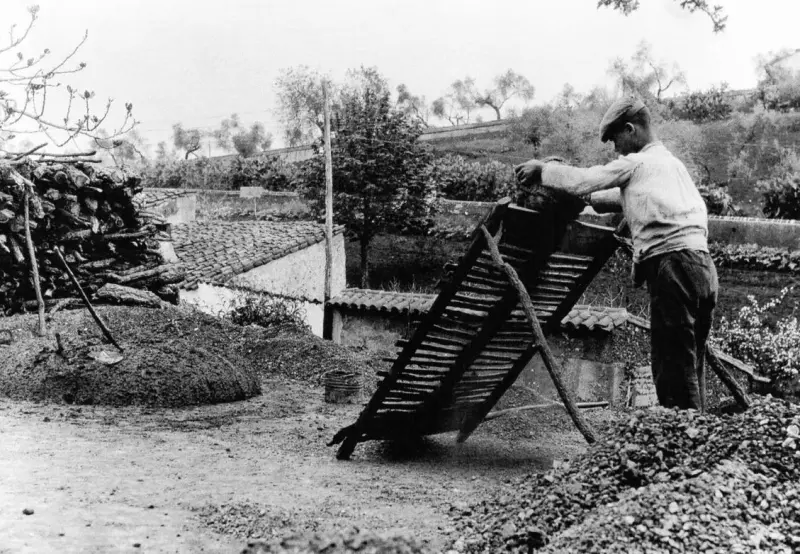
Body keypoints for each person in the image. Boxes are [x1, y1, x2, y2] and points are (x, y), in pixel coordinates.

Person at [514, 97, 718, 410]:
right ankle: (698, 436)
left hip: (674, 266)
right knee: (691, 362)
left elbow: (586, 179)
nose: (615, 149)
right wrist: (589, 200)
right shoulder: (669, 165)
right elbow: (620, 195)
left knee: (672, 365)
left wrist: (544, 170)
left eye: (615, 140)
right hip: (702, 269)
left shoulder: (637, 163)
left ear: (630, 129)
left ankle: (682, 443)